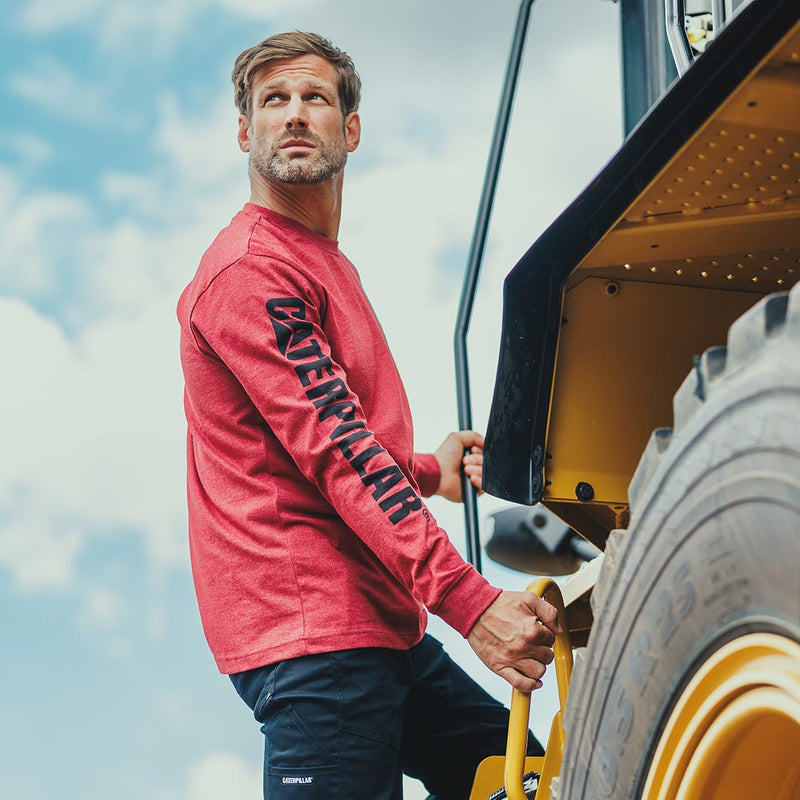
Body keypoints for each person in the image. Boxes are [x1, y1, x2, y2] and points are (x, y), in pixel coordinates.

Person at [177, 31, 562, 800]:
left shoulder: (317, 258)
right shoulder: (254, 272)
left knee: (532, 781)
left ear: (349, 129)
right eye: (272, 102)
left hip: (378, 625)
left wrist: (432, 470)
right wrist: (472, 603)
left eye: (314, 99)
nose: (293, 115)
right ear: (244, 132)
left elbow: (313, 440)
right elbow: (339, 453)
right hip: (314, 639)